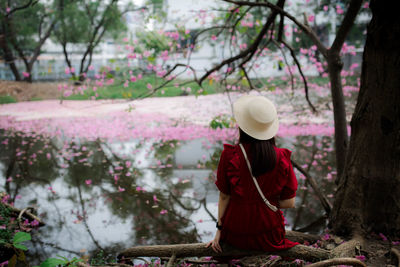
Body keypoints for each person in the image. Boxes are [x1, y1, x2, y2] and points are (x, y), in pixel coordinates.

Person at [206, 95, 299, 253]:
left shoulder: (230, 155)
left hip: (235, 234)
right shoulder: (282, 157)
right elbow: (289, 203)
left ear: (242, 126)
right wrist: (264, 201)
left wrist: (219, 230)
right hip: (270, 234)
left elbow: (224, 196)